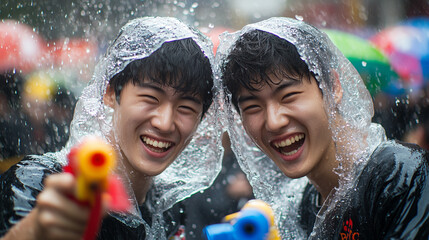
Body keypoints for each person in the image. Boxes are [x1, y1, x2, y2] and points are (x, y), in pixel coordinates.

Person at [0, 16, 223, 240]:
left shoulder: (169, 206)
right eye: (150, 98)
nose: (164, 123)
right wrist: (35, 228)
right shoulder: (40, 183)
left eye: (186, 108)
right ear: (109, 92)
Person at [217, 17, 429, 239]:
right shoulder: (302, 205)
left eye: (289, 96)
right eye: (252, 107)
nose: (273, 121)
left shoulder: (399, 174)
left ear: (334, 87)